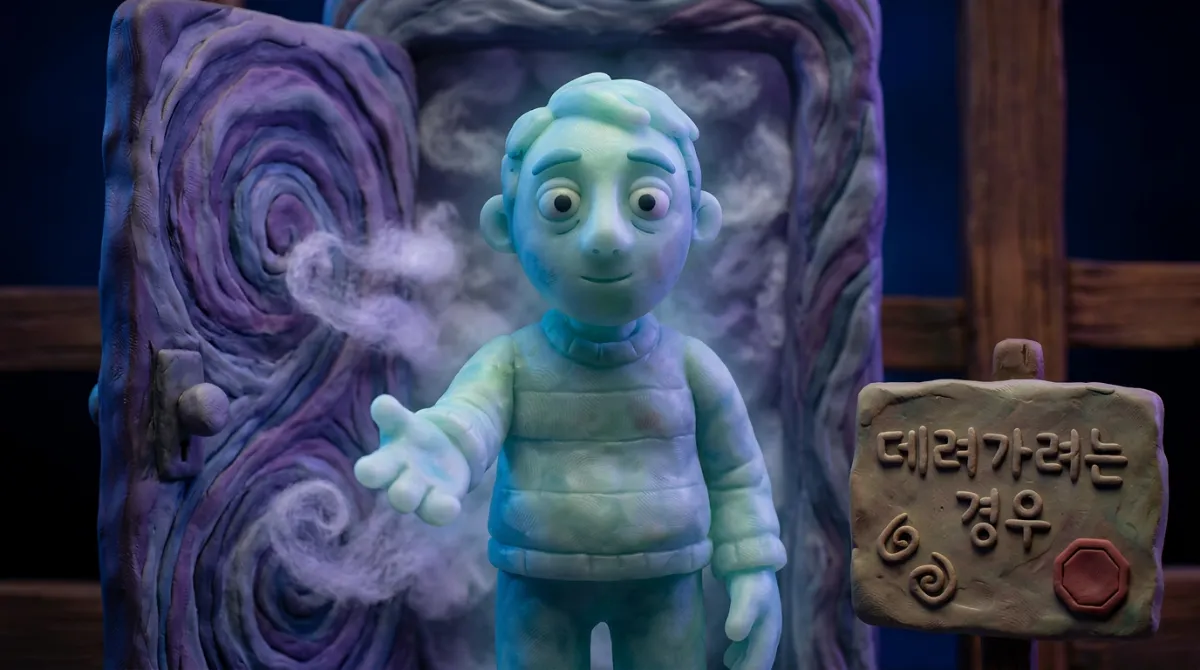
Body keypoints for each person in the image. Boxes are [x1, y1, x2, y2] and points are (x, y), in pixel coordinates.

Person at [354, 72, 785, 670]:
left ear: (699, 221)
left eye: (647, 202)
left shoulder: (693, 368)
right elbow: (470, 417)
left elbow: (737, 474)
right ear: (505, 226)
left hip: (664, 582)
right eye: (562, 203)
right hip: (539, 581)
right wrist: (447, 447)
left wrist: (753, 566)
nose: (606, 235)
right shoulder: (510, 363)